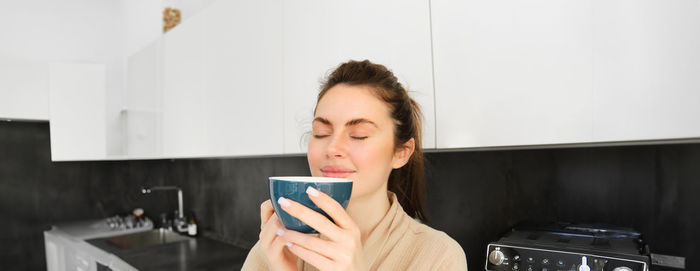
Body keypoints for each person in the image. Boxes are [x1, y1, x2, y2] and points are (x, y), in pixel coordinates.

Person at [242, 60, 467, 271]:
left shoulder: (439, 257)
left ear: (401, 152)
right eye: (321, 133)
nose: (332, 148)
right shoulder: (272, 248)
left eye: (359, 135)